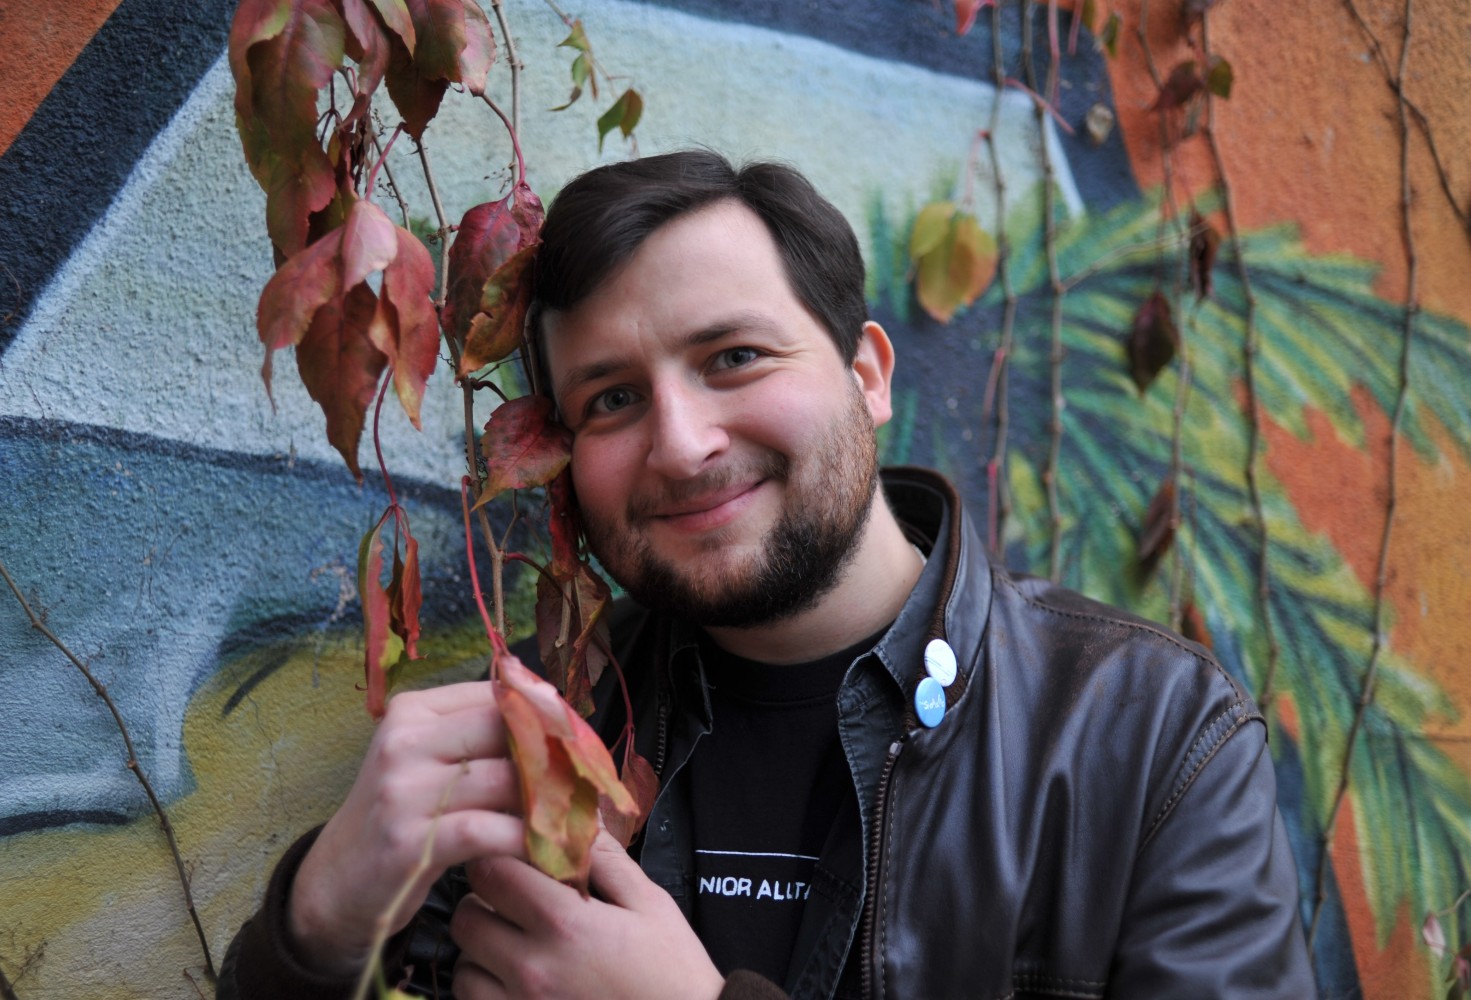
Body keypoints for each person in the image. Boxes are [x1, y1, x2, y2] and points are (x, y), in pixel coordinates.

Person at [219, 150, 1315, 999]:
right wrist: (316, 928)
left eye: (733, 357)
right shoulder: (552, 728)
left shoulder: (1148, 736)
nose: (681, 442)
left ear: (867, 375)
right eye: (612, 398)